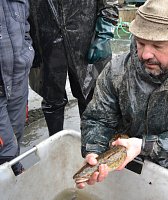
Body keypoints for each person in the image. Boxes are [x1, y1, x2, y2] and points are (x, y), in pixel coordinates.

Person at [78, 0, 168, 198]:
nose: (145, 54)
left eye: (158, 45)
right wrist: (94, 151)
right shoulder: (116, 70)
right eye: (140, 43)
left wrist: (145, 145)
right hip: (124, 150)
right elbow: (98, 119)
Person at [28, 0, 118, 136]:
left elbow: (110, 2)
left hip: (85, 35)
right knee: (51, 98)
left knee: (88, 93)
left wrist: (103, 34)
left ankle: (90, 141)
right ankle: (56, 143)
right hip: (45, 37)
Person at [0, 0, 35, 175]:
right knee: (7, 149)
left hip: (18, 78)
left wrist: (26, 53)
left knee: (17, 136)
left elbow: (24, 24)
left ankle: (16, 177)